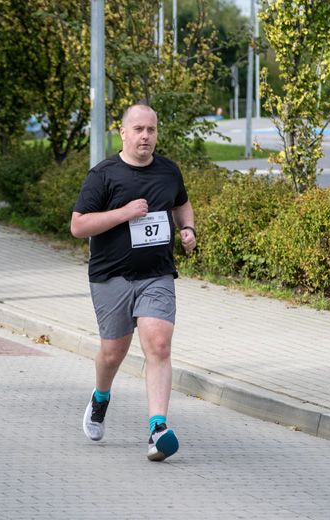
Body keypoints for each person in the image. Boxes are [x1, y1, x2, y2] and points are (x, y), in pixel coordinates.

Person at [71, 104, 196, 462]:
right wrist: (124, 213)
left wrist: (188, 230)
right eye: (138, 129)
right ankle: (100, 397)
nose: (145, 136)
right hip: (111, 276)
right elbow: (78, 226)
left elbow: (183, 205)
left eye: (151, 130)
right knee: (113, 352)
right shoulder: (104, 175)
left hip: (156, 274)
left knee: (158, 345)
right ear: (123, 133)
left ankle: (158, 428)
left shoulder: (169, 171)